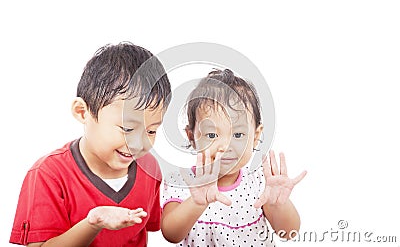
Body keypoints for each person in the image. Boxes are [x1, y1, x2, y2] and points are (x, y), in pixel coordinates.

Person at [9, 42, 171, 246]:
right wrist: (93, 223)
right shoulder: (48, 174)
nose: (139, 143)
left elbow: (156, 227)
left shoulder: (149, 168)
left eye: (151, 131)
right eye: (127, 129)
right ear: (82, 112)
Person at [161, 68, 307, 246]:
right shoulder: (182, 182)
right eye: (212, 135)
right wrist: (196, 203)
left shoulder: (258, 181)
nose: (226, 147)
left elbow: (288, 233)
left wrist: (278, 204)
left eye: (238, 135)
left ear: (255, 136)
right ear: (192, 137)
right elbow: (171, 233)